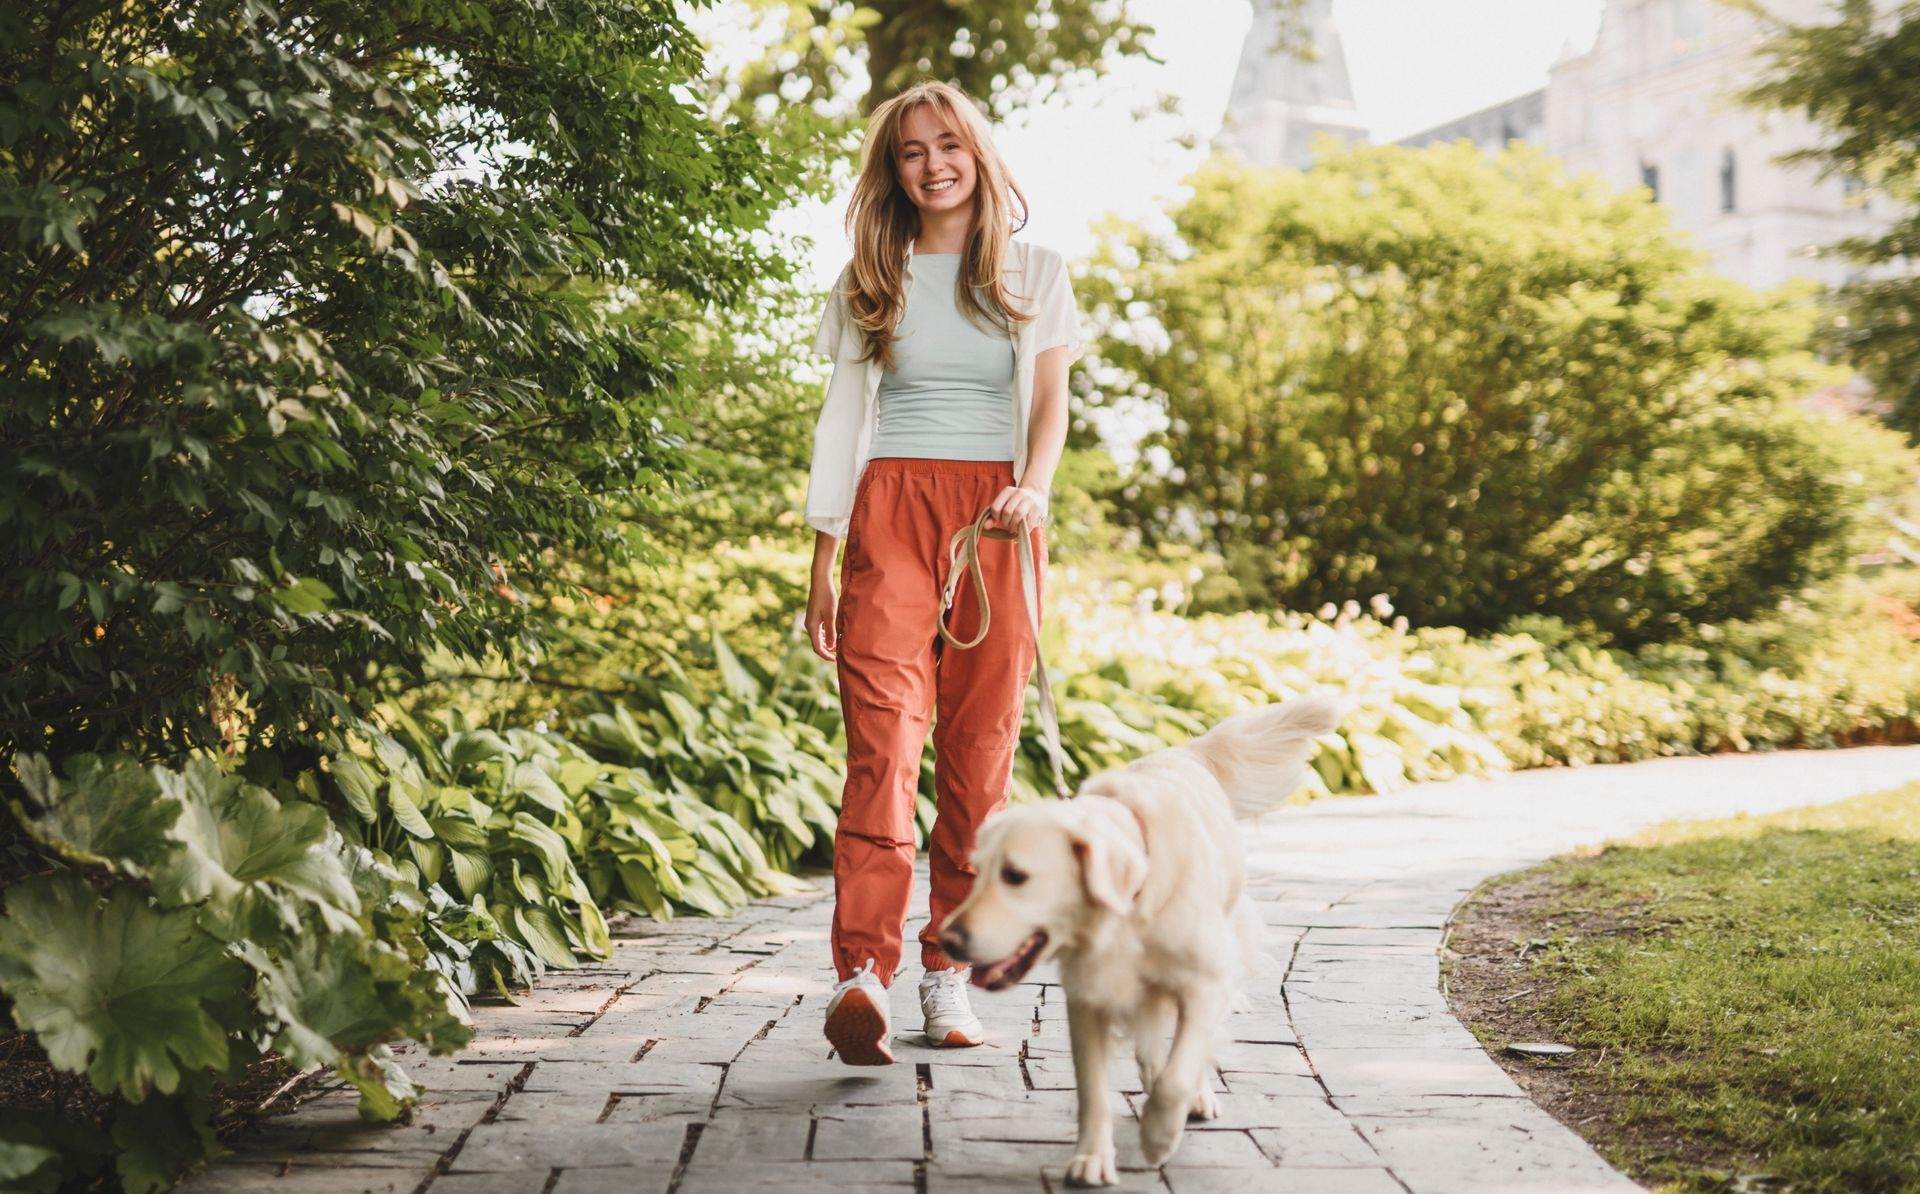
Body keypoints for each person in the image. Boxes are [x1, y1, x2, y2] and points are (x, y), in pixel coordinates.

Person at [801, 80, 1083, 1066]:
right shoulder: (870, 277)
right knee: (883, 744)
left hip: (997, 525)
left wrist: (1034, 489)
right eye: (912, 151)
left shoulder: (1036, 273)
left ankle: (946, 973)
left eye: (948, 145)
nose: (932, 164)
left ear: (978, 156)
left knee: (978, 753)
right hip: (887, 514)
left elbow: (1049, 405)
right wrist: (824, 558)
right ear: (894, 171)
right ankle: (863, 975)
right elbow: (842, 425)